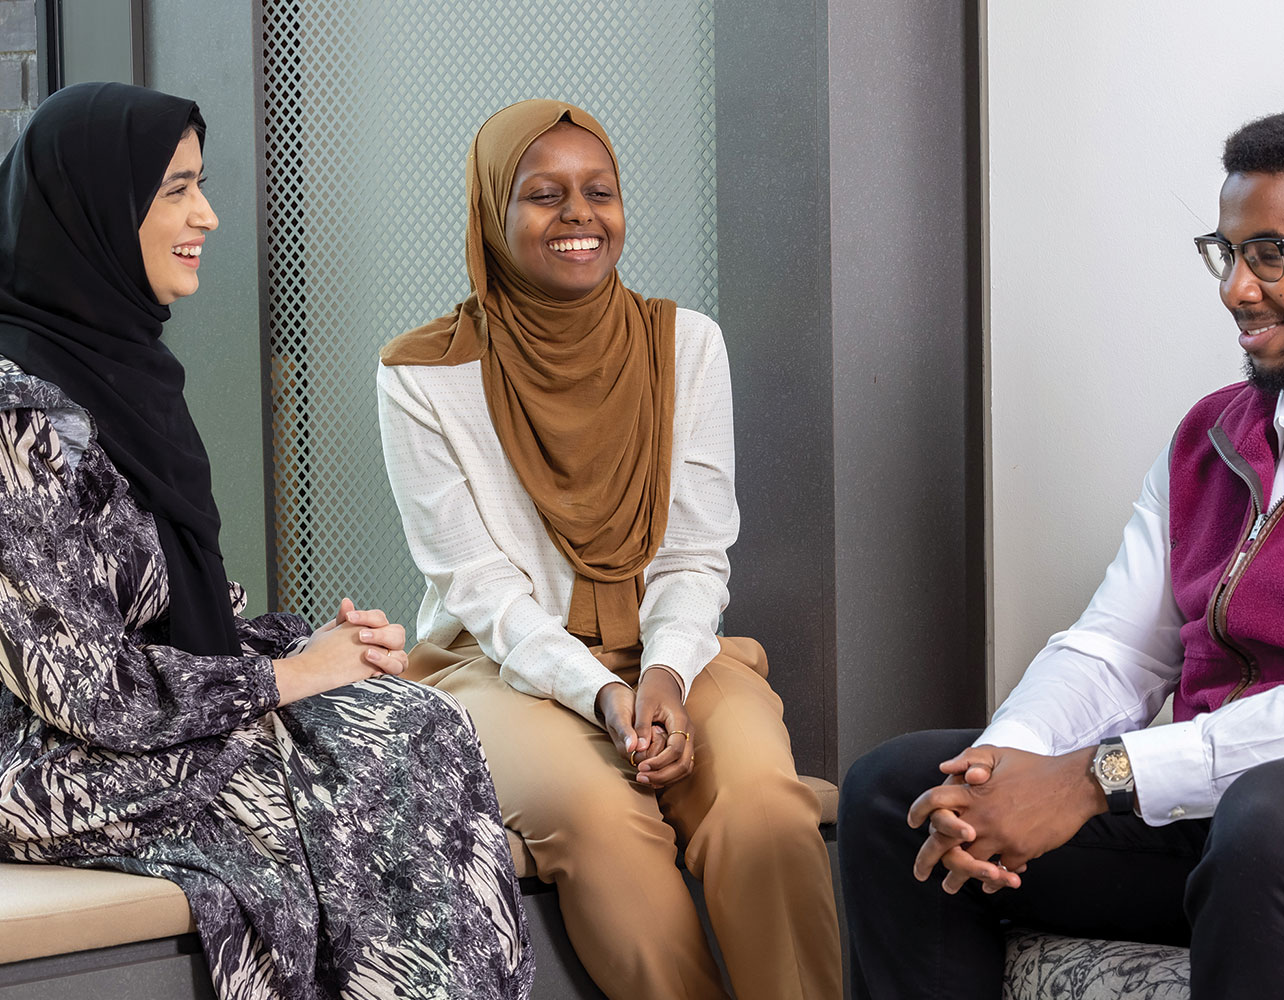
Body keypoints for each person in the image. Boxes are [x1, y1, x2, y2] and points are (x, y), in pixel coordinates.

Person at [840, 106, 1284, 1000]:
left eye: (1273, 252)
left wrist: (1104, 774)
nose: (1236, 287)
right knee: (897, 794)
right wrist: (999, 771)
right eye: (1226, 253)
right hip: (1221, 810)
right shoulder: (1214, 435)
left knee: (1280, 816)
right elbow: (1119, 645)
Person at [0, 82, 533, 1000]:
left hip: (141, 737)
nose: (205, 213)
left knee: (420, 719)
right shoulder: (17, 413)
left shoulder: (124, 377)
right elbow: (82, 688)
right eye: (174, 190)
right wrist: (293, 675)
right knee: (358, 762)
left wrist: (325, 649)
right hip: (50, 761)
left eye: (200, 184)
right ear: (93, 207)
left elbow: (172, 613)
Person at [377, 99, 841, 1000]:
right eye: (543, 195)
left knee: (765, 809)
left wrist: (661, 673)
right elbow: (478, 584)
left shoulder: (687, 346)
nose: (579, 214)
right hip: (498, 664)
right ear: (492, 214)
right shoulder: (423, 371)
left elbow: (696, 553)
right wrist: (601, 693)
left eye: (600, 191)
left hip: (673, 649)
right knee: (597, 815)